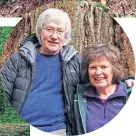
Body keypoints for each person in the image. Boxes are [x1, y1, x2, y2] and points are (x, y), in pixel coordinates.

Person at [0, 8, 134, 136]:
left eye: (60, 31)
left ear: (65, 36)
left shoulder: (74, 60)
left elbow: (97, 78)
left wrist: (124, 81)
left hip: (57, 128)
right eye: (49, 29)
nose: (54, 36)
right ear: (39, 32)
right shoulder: (19, 59)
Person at [74, 43, 133, 135]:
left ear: (114, 69)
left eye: (103, 67)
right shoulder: (79, 98)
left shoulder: (129, 94)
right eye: (93, 67)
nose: (98, 72)